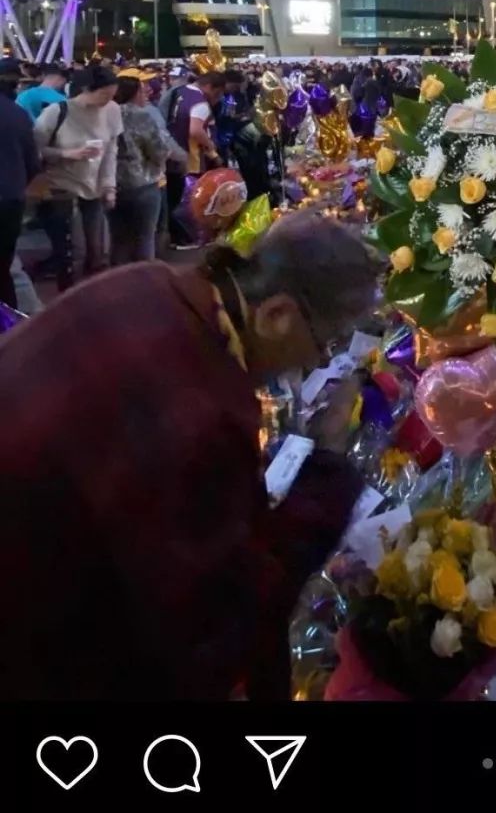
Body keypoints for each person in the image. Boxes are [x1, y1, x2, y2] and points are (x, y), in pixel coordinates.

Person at [0, 214, 380, 700]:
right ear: (276, 315)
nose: (319, 365)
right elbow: (216, 625)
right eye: (326, 345)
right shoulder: (204, 405)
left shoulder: (151, 279)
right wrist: (326, 467)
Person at [32, 65, 122, 291]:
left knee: (99, 249)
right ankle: (69, 298)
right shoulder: (57, 111)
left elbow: (111, 151)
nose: (108, 100)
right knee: (73, 251)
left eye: (112, 95)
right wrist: (66, 154)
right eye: (104, 94)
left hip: (94, 188)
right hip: (61, 186)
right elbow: (35, 150)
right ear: (86, 89)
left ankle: (97, 295)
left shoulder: (112, 110)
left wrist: (109, 186)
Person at [111, 71, 187, 265]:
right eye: (142, 91)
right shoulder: (141, 115)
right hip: (142, 183)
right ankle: (146, 281)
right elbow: (159, 151)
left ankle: (117, 282)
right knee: (146, 236)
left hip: (111, 183)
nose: (145, 94)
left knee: (119, 238)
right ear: (134, 93)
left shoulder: (106, 112)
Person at [165, 71, 225, 245]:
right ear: (209, 87)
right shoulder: (200, 103)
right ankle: (188, 238)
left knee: (176, 197)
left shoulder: (181, 92)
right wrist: (211, 148)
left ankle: (178, 236)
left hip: (176, 153)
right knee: (190, 199)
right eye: (218, 93)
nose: (217, 98)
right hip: (193, 159)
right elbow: (196, 130)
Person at [0, 58, 40, 309]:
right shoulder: (17, 113)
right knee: (4, 268)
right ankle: (12, 323)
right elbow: (32, 163)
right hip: (11, 199)